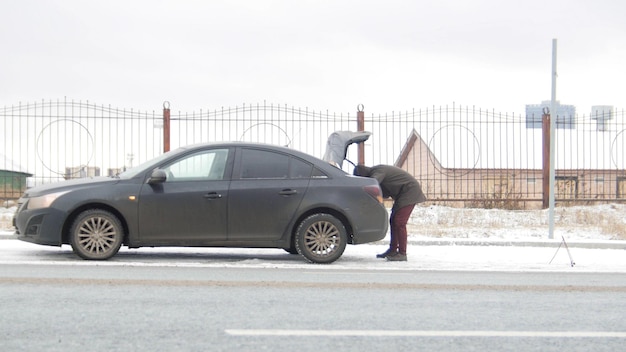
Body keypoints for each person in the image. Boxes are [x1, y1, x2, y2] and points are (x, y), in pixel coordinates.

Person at [354, 164, 426, 261]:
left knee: (399, 222)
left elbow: (372, 184)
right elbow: (381, 192)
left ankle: (402, 253)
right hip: (403, 193)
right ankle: (392, 250)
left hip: (410, 191)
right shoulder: (378, 171)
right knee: (393, 221)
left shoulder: (378, 171)